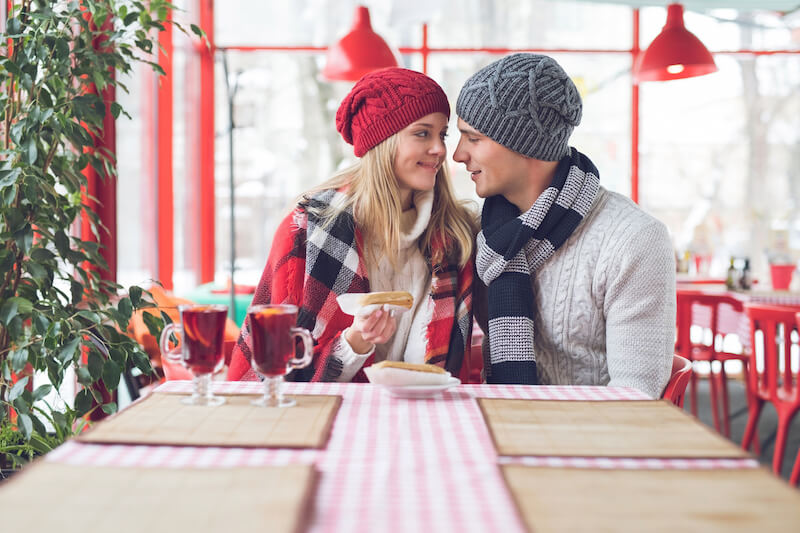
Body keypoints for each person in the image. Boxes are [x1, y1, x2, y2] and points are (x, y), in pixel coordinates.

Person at [227, 67, 477, 383]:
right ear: (383, 141)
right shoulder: (310, 228)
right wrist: (353, 343)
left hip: (423, 417)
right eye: (422, 133)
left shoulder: (453, 236)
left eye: (442, 134)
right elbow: (272, 367)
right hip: (327, 420)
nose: (441, 149)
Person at [453, 53, 674, 398]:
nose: (458, 154)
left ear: (524, 144)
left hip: (594, 440)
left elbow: (636, 396)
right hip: (502, 424)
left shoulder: (633, 239)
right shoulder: (485, 234)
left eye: (474, 138)